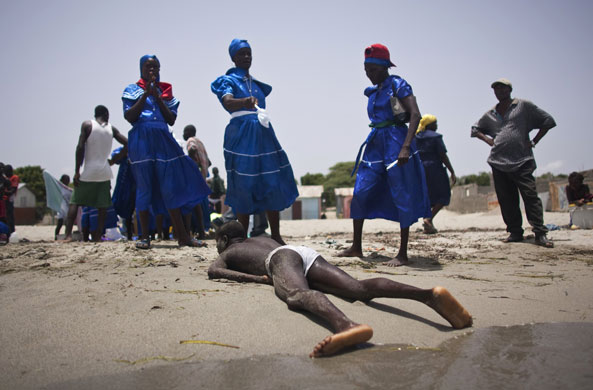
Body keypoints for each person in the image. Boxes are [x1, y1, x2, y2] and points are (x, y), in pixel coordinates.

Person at [209, 221, 472, 358]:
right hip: (301, 252)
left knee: (296, 295)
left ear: (224, 240)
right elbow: (284, 249)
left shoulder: (230, 250)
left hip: (280, 260)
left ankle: (346, 326)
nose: (219, 249)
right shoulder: (262, 237)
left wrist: (256, 279)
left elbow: (215, 270)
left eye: (218, 244)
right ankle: (428, 295)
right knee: (358, 288)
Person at [338, 44, 431, 266]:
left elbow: (415, 114)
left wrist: (406, 146)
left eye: (372, 69)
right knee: (361, 190)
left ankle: (402, 253)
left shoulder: (398, 84)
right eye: (366, 70)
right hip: (375, 142)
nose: (368, 74)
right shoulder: (375, 90)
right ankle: (356, 247)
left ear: (384, 67)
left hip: (397, 142)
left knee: (401, 192)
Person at [211, 39, 299, 245]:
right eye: (241, 54)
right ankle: (243, 237)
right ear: (233, 58)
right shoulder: (228, 80)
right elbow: (227, 102)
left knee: (271, 180)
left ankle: (275, 235)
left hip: (263, 134)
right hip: (241, 134)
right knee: (244, 183)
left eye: (249, 53)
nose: (246, 57)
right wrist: (244, 102)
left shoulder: (255, 84)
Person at [123, 55, 211, 249]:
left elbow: (171, 119)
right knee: (144, 186)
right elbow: (130, 116)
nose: (152, 70)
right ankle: (144, 236)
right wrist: (145, 95)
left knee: (170, 186)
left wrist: (156, 96)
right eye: (148, 67)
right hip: (141, 139)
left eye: (155, 67)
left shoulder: (165, 91)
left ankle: (183, 236)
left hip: (163, 138)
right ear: (141, 69)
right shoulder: (131, 90)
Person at [471, 78, 556, 248]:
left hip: (522, 159)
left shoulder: (523, 106)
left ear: (509, 90)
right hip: (498, 161)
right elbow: (475, 129)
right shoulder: (491, 113)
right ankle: (515, 232)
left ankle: (540, 232)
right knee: (507, 199)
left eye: (502, 88)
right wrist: (488, 140)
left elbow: (548, 121)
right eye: (496, 89)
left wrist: (534, 141)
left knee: (530, 197)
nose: (499, 92)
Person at [62, 105, 127, 242]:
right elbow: (128, 143)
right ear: (106, 114)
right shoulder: (112, 129)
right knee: (102, 207)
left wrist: (76, 171)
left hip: (89, 170)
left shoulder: (87, 125)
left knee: (75, 202)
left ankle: (68, 235)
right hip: (104, 172)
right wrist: (115, 160)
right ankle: (98, 235)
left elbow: (80, 147)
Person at [415, 114, 456, 234]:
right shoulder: (436, 137)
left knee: (427, 196)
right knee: (443, 194)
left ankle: (429, 224)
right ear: (429, 125)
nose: (437, 125)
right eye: (435, 123)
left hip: (420, 169)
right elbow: (442, 155)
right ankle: (429, 218)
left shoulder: (415, 137)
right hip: (434, 168)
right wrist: (451, 171)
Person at [182, 124, 210, 239]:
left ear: (188, 132)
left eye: (184, 132)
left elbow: (192, 149)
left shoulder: (190, 141)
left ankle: (190, 232)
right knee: (197, 204)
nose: (183, 134)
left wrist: (190, 163)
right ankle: (201, 231)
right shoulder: (200, 142)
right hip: (201, 176)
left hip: (195, 174)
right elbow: (209, 161)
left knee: (192, 203)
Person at [54, 174, 72, 239]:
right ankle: (56, 237)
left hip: (68, 209)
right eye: (66, 180)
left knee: (68, 224)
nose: (67, 182)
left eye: (68, 180)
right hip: (61, 209)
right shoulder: (59, 188)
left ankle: (66, 236)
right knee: (60, 223)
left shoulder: (69, 190)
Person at [3, 164, 19, 234]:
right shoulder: (5, 178)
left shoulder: (14, 177)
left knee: (9, 217)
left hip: (9, 200)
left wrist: (3, 192)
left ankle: (11, 231)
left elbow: (13, 190)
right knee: (4, 217)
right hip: (4, 200)